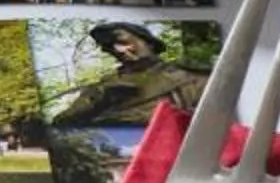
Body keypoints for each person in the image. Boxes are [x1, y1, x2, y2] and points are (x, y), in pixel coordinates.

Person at [53, 22, 213, 128]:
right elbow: (61, 124)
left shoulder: (191, 79)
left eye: (122, 41)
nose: (118, 50)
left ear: (148, 42)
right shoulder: (103, 87)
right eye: (109, 47)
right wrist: (100, 101)